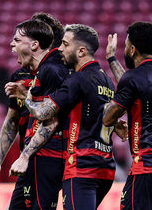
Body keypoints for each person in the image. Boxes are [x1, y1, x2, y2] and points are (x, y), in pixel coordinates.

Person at [13, 24, 118, 210]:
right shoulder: (106, 81)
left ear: (81, 51)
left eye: (65, 44)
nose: (60, 49)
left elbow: (44, 113)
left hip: (81, 166)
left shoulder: (78, 79)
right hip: (106, 168)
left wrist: (26, 97)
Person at [0, 14, 67, 210]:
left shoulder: (56, 71)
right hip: (30, 158)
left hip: (47, 155)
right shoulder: (20, 76)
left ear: (37, 43)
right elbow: (12, 119)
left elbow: (51, 119)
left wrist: (26, 96)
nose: (11, 44)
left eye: (17, 40)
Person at [102, 21, 152, 210]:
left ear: (133, 50)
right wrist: (112, 59)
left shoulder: (134, 78)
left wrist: (105, 103)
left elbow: (107, 118)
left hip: (148, 166)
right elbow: (134, 87)